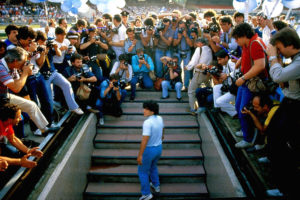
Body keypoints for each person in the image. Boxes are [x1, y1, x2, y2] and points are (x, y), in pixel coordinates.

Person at [266, 27, 300, 198]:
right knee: (273, 133)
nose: (278, 51)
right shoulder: (294, 59)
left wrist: (273, 57)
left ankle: (287, 188)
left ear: (289, 44)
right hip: (289, 103)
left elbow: (278, 76)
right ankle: (275, 162)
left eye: (279, 47)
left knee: (287, 148)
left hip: (295, 108)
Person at [0, 47, 58, 135]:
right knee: (18, 117)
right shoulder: (1, 68)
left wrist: (24, 73)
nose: (25, 64)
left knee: (31, 105)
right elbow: (16, 88)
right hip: (2, 97)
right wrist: (25, 73)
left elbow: (19, 85)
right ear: (15, 61)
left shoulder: (12, 67)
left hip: (3, 95)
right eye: (23, 62)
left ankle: (44, 129)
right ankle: (13, 141)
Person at [231, 23, 267, 149]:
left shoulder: (255, 43)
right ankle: (245, 130)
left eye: (237, 38)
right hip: (246, 81)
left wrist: (243, 78)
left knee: (244, 110)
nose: (236, 41)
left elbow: (260, 65)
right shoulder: (247, 44)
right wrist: (240, 60)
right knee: (238, 106)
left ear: (244, 35)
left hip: (251, 82)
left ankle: (248, 138)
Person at [137, 100, 163, 200]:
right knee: (153, 166)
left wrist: (140, 155)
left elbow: (144, 140)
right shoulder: (160, 118)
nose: (144, 110)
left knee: (142, 171)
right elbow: (163, 130)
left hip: (149, 150)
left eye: (146, 109)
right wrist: (161, 137)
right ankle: (156, 185)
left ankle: (146, 194)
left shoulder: (147, 122)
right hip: (159, 148)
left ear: (152, 111)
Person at [185, 37, 213, 114]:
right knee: (208, 89)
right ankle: (208, 106)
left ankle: (193, 109)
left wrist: (187, 67)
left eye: (197, 43)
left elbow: (194, 61)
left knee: (191, 91)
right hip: (208, 73)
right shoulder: (209, 49)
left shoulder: (199, 49)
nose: (196, 45)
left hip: (199, 73)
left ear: (200, 43)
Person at [212, 50, 237, 117]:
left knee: (219, 101)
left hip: (236, 90)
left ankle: (236, 112)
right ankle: (217, 108)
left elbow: (238, 72)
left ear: (226, 58)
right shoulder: (225, 65)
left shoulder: (230, 63)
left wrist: (228, 75)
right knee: (216, 87)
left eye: (220, 59)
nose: (219, 62)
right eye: (218, 60)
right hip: (229, 87)